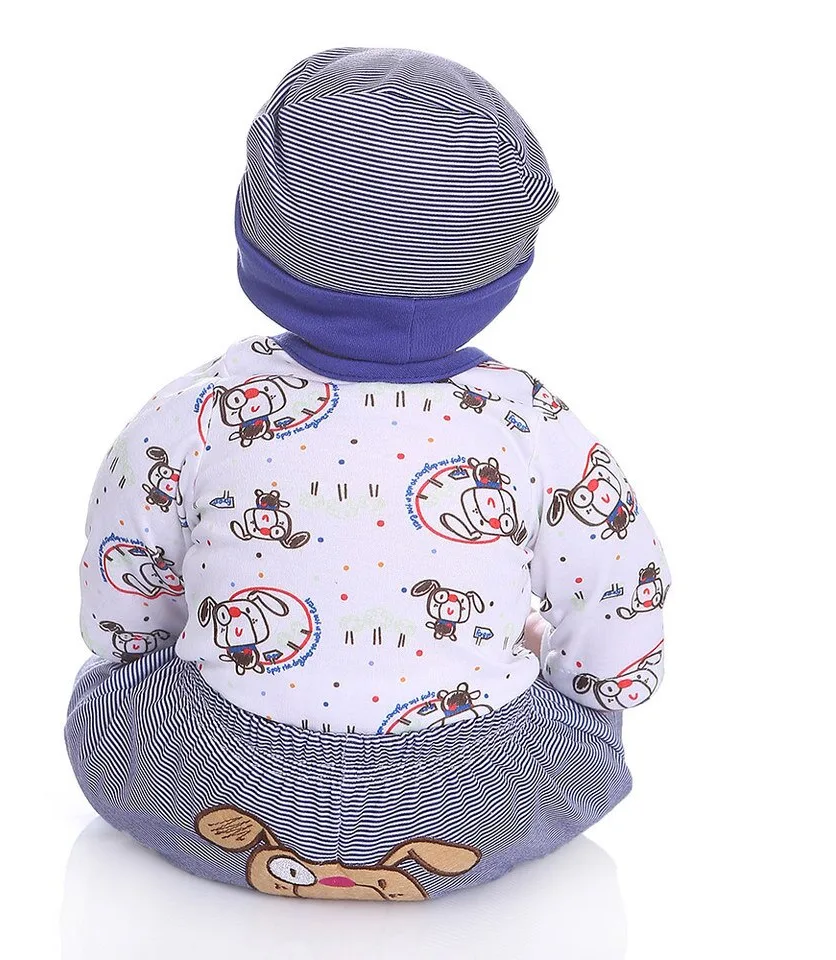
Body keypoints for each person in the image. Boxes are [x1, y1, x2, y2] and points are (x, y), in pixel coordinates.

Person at [65, 47, 671, 901]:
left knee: (106, 703)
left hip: (208, 776)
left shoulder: (195, 413)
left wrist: (155, 653)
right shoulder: (532, 426)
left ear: (257, 241)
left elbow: (122, 604)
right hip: (480, 799)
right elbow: (622, 600)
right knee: (586, 724)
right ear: (506, 268)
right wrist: (583, 685)